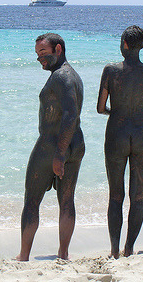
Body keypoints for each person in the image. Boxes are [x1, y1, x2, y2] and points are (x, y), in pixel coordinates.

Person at [16, 33, 85, 261]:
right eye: (37, 54)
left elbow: (70, 114)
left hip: (53, 145)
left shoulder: (60, 77)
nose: (39, 59)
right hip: (75, 143)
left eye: (43, 53)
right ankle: (63, 253)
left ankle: (24, 255)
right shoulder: (73, 75)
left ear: (58, 49)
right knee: (67, 200)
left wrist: (59, 154)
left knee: (32, 200)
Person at [97, 25, 143, 258]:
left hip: (117, 133)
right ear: (141, 46)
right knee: (138, 195)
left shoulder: (111, 71)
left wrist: (115, 110)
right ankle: (129, 248)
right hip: (142, 134)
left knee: (116, 195)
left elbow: (101, 107)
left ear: (124, 44)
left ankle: (114, 250)